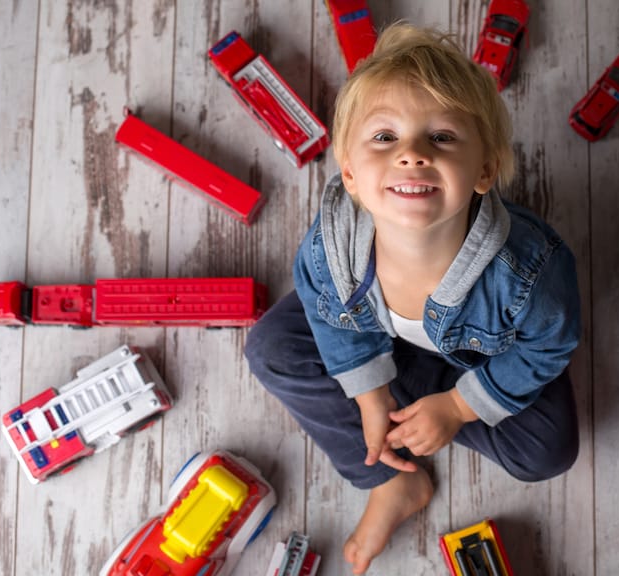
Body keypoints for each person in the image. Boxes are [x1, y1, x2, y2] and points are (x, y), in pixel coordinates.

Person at [245, 22, 581, 574]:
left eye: (442, 137)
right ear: (350, 173)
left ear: (485, 171)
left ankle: (429, 406)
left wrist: (458, 406)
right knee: (270, 347)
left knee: (548, 451)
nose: (411, 155)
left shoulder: (527, 269)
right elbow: (328, 313)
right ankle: (391, 480)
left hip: (483, 355)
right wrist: (369, 395)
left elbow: (549, 345)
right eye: (384, 137)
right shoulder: (334, 243)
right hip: (377, 336)